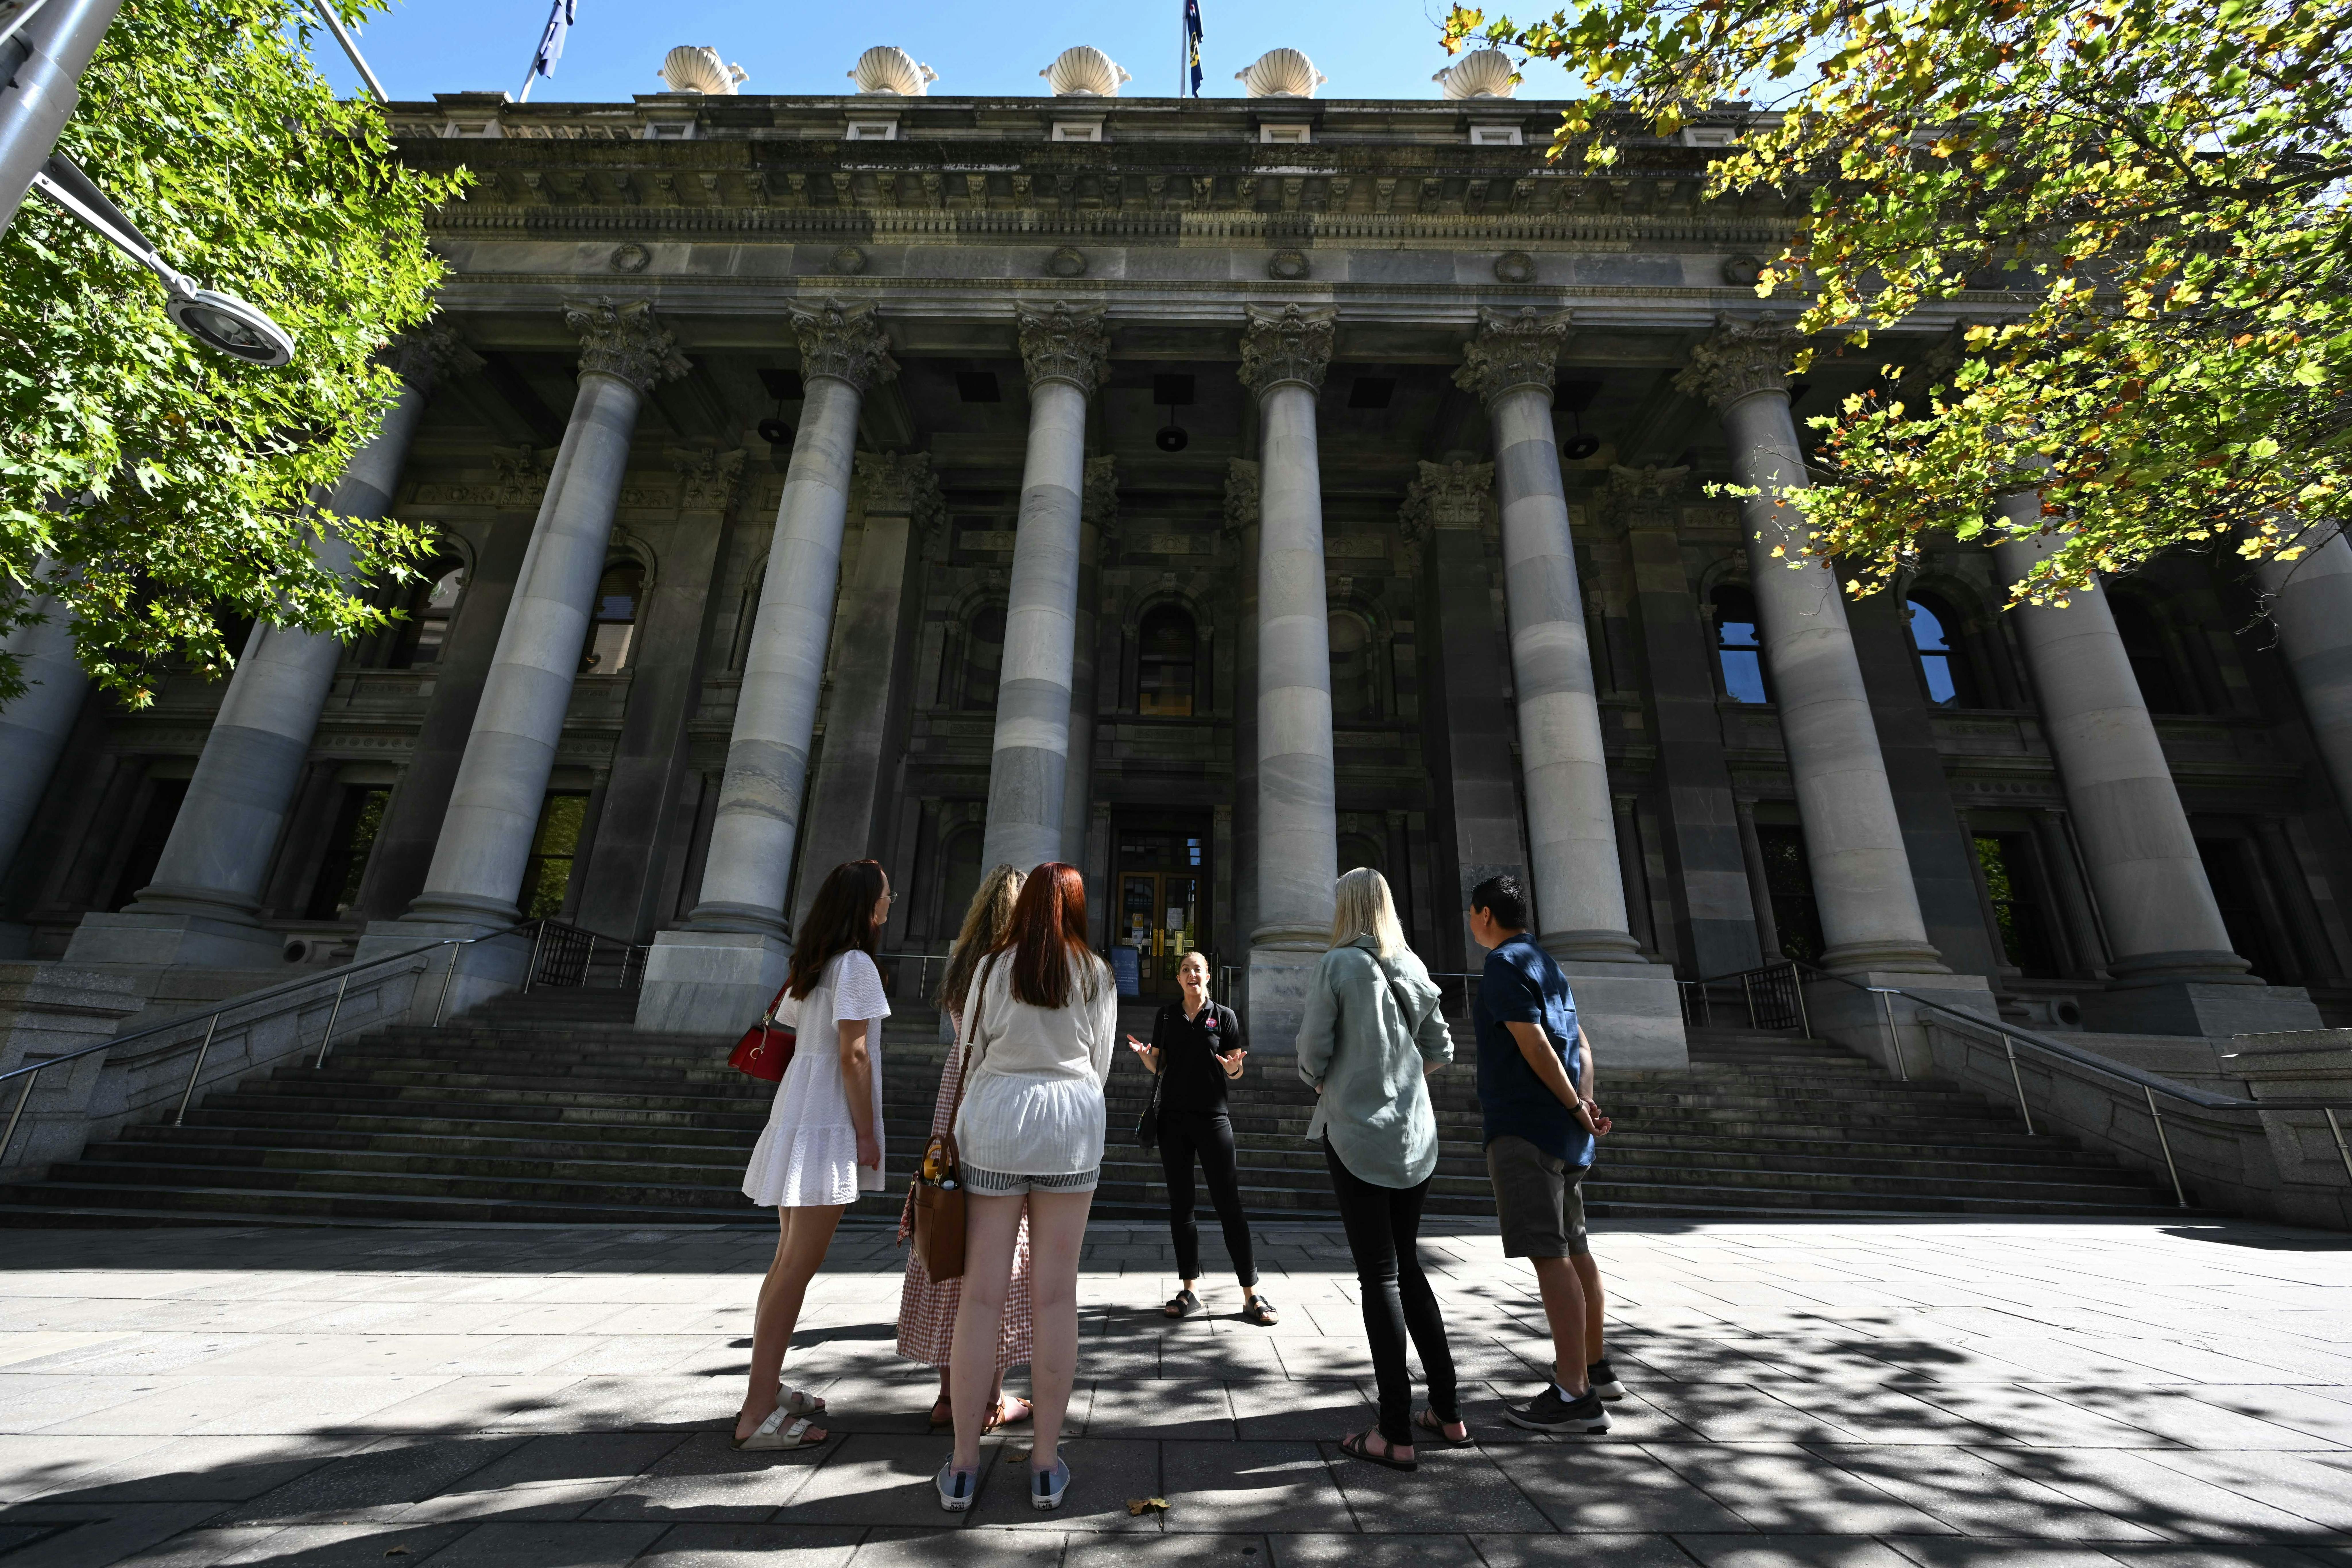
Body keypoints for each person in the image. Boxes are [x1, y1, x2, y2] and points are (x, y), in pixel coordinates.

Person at [937, 863, 1117, 1515]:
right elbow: (1099, 1064)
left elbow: (972, 1053)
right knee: (1055, 1295)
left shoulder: (990, 968)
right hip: (1070, 1123)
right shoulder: (1095, 971)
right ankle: (1045, 1462)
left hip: (997, 1120)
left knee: (981, 1296)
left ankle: (961, 1465)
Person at [1295, 867, 1460, 1471]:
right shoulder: (1411, 964)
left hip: (1358, 1135)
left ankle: (1394, 1430)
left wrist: (1337, 1083)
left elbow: (1312, 1052)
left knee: (1380, 1277)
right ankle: (1447, 1409)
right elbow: (1441, 1048)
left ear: (1346, 908)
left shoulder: (1338, 964)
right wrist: (1402, 1081)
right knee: (1408, 1266)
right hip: (1414, 1139)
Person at [734, 859, 893, 1450]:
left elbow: (807, 1035)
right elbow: (853, 1055)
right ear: (862, 905)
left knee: (785, 1263)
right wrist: (867, 1133)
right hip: (826, 1120)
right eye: (883, 896)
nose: (888, 903)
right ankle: (755, 1411)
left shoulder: (817, 962)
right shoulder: (856, 965)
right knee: (796, 1268)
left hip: (800, 1111)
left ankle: (766, 1385)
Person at [1466, 873, 1615, 1435]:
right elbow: (1580, 1043)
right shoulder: (1547, 963)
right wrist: (1585, 1103)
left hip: (1527, 1129)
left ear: (1484, 914)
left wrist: (1579, 1108)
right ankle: (1595, 1369)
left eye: (1470, 914)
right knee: (1575, 1251)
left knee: (1550, 1257)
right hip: (1564, 1132)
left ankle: (1575, 1394)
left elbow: (1533, 1044)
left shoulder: (1504, 964)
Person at [895, 864, 1035, 1432]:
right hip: (999, 1102)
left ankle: (949, 1398)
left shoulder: (963, 968)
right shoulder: (1017, 968)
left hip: (953, 1106)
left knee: (949, 1240)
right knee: (996, 1252)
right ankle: (989, 1399)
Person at [1126, 951, 1274, 1325]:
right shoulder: (1166, 1015)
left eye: (1198, 969)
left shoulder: (1224, 1016)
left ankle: (1251, 1294)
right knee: (1182, 1205)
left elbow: (1234, 1067)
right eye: (1185, 970)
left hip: (1213, 1119)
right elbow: (1159, 1064)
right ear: (1178, 978)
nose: (1192, 974)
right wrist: (1146, 1055)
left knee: (1230, 1205)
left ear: (1209, 976)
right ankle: (1189, 1289)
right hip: (1172, 1122)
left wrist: (1235, 1067)